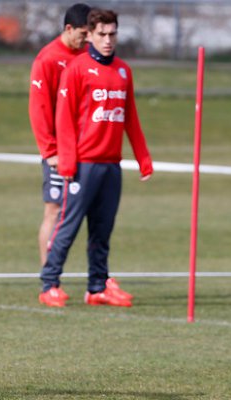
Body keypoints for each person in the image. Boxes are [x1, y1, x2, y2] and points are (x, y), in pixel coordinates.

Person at [38, 8, 153, 308]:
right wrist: (66, 160)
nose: (108, 40)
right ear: (89, 35)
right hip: (83, 164)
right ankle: (49, 284)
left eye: (112, 33)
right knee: (69, 225)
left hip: (111, 165)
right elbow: (63, 119)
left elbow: (131, 118)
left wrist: (143, 158)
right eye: (102, 34)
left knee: (102, 230)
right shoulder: (76, 69)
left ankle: (97, 286)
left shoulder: (123, 70)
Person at [29, 3, 91, 298]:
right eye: (83, 33)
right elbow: (39, 109)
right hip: (58, 151)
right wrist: (50, 150)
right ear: (69, 29)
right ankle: (49, 279)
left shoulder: (87, 57)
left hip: (86, 150)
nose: (87, 39)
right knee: (54, 209)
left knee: (86, 212)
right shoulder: (48, 59)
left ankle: (97, 279)